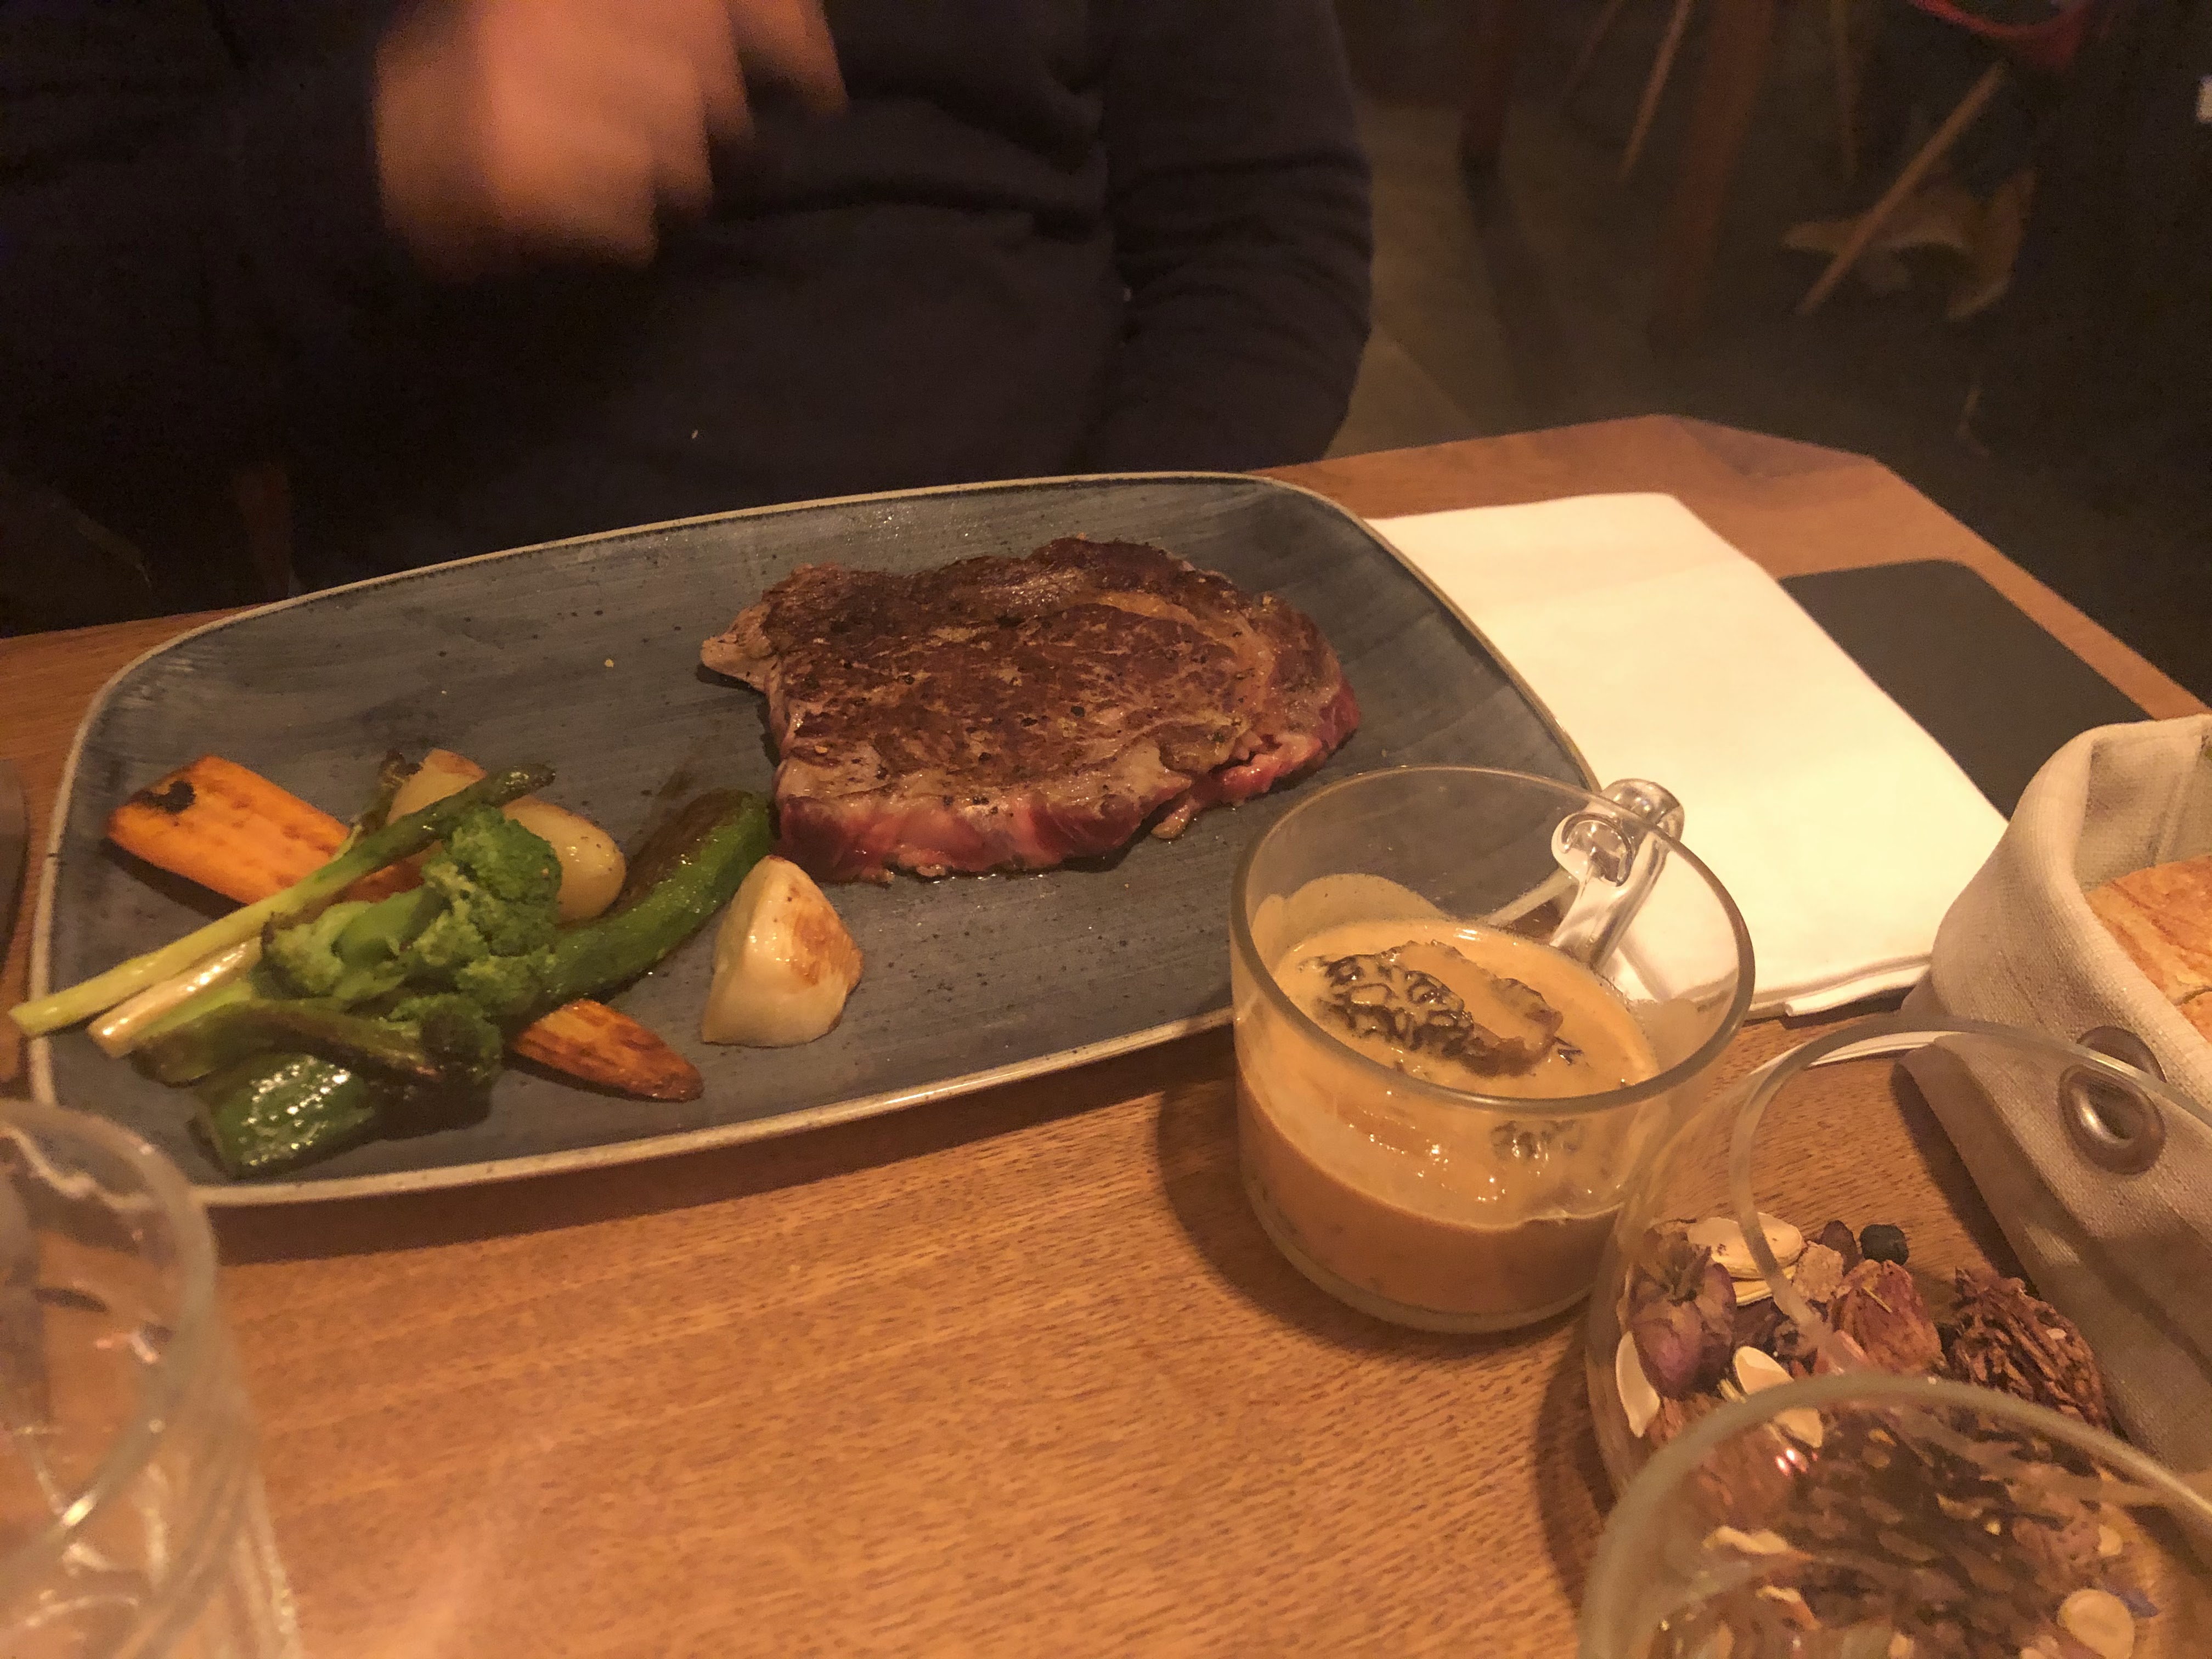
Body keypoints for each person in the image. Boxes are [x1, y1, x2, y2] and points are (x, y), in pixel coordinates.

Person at [0, 0, 1373, 606]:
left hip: (1061, 574)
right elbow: (51, 345)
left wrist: (1105, 586)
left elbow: (1265, 234)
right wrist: (376, 161)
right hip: (459, 659)